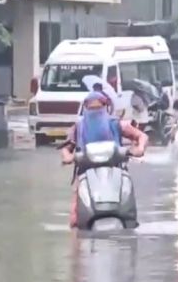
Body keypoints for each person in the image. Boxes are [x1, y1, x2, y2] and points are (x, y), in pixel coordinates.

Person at [61, 92, 148, 228]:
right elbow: (66, 147)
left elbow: (141, 136)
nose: (95, 112)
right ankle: (76, 246)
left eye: (99, 108)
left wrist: (139, 148)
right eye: (92, 109)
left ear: (105, 107)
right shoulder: (78, 128)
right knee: (75, 219)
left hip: (115, 171)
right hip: (85, 172)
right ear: (85, 108)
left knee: (128, 211)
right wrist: (68, 156)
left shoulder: (116, 124)